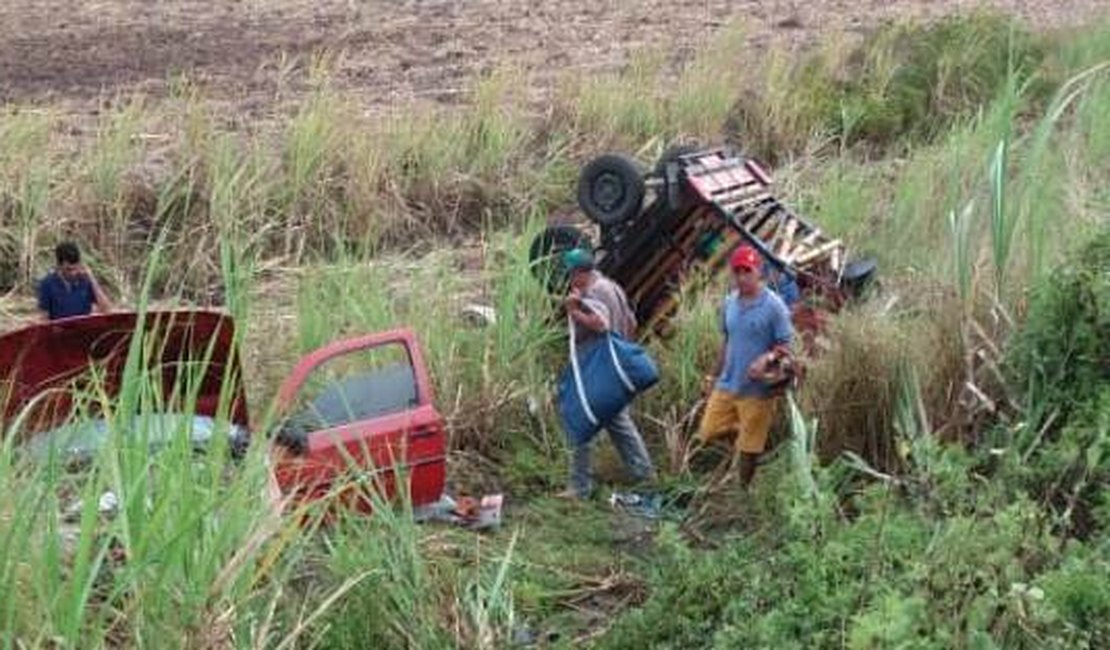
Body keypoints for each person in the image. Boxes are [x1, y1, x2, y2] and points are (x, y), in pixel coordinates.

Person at [559, 247, 655, 499]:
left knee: (582, 421)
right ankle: (644, 475)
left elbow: (601, 324)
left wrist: (574, 310)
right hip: (609, 368)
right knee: (617, 422)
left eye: (570, 275)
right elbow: (631, 322)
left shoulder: (595, 292)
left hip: (597, 368)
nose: (569, 281)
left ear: (579, 273)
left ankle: (579, 487)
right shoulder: (611, 286)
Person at [696, 245, 793, 488]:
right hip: (728, 383)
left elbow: (785, 346)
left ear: (758, 271)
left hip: (757, 390)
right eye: (737, 272)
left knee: (749, 450)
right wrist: (712, 375)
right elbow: (727, 342)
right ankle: (746, 435)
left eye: (747, 271)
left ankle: (743, 490)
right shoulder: (729, 303)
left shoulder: (774, 306)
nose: (742, 277)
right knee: (707, 432)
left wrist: (766, 359)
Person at [37, 242, 112, 321]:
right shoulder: (48, 284)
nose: (73, 273)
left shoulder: (85, 280)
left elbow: (107, 310)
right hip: (60, 331)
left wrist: (92, 278)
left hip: (84, 329)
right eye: (69, 269)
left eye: (76, 268)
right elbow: (44, 318)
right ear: (59, 266)